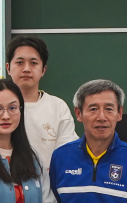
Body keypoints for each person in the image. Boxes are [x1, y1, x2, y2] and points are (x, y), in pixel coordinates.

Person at [7, 35, 76, 170]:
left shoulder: (58, 107)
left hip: (49, 181)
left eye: (33, 63)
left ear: (43, 70)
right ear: (8, 68)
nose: (26, 69)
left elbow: (67, 152)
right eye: (20, 62)